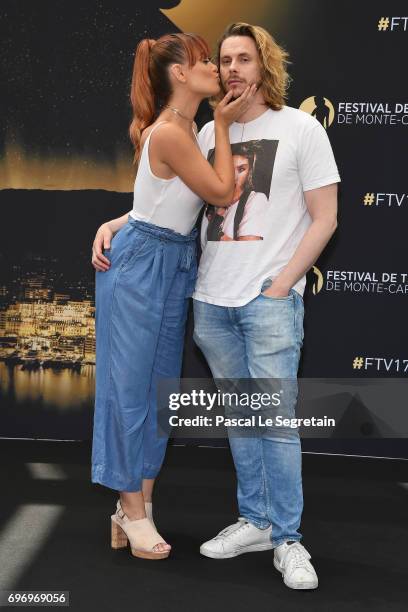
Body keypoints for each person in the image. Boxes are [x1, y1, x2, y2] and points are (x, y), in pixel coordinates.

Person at [90, 31, 256, 561]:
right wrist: (225, 126)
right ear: (180, 75)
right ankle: (132, 511)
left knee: (158, 395)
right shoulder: (174, 132)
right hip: (142, 268)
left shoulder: (188, 128)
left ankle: (137, 511)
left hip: (171, 262)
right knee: (127, 391)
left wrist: (113, 221)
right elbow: (223, 193)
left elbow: (156, 201)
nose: (215, 67)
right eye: (204, 60)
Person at [192, 23, 340, 590]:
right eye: (225, 60)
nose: (232, 69)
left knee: (275, 425)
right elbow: (177, 208)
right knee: (241, 421)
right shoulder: (209, 134)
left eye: (244, 60)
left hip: (268, 301)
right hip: (211, 302)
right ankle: (253, 521)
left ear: (265, 68)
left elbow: (325, 217)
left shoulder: (301, 129)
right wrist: (117, 220)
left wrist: (282, 285)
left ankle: (288, 539)